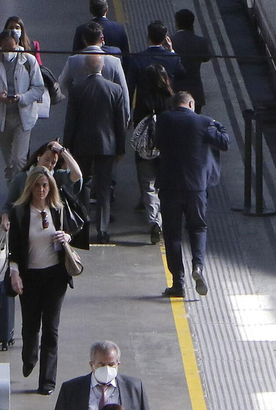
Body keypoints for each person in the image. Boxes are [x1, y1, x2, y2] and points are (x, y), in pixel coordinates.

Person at [6, 167, 81, 394]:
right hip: (30, 277)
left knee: (51, 329)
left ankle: (47, 382)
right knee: (30, 326)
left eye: (45, 186)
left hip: (55, 277)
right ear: (31, 187)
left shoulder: (57, 209)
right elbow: (15, 250)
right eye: (37, 185)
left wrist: (66, 236)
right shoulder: (20, 213)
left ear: (51, 188)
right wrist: (15, 273)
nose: (41, 190)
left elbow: (73, 229)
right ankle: (29, 357)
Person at [156, 91, 229, 297]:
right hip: (196, 187)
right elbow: (225, 143)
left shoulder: (163, 119)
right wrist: (216, 123)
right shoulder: (203, 122)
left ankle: (178, 283)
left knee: (172, 235)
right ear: (191, 103)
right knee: (197, 228)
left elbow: (157, 143)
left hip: (169, 186)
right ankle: (197, 266)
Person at [62, 53, 130, 244]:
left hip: (82, 145)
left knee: (83, 184)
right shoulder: (115, 90)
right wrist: (120, 148)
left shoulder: (77, 89)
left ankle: (83, 223)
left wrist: (66, 148)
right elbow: (119, 122)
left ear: (85, 68)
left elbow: (71, 122)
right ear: (102, 67)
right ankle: (102, 229)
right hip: (107, 146)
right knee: (104, 188)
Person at [0, 30, 48, 184]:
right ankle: (12, 187)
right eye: (5, 48)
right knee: (10, 161)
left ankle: (19, 195)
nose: (8, 52)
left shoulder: (29, 61)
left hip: (22, 118)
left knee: (19, 159)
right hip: (2, 118)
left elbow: (38, 88)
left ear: (17, 44)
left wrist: (23, 98)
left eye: (11, 48)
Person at [131, 63, 175, 245]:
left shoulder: (142, 100)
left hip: (146, 150)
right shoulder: (170, 100)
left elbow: (136, 124)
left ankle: (153, 220)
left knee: (148, 186)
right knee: (165, 187)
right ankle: (161, 220)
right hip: (167, 149)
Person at [2, 140, 84, 225]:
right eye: (46, 159)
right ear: (39, 157)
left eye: (53, 162)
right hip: (26, 225)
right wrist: (5, 218)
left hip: (51, 225)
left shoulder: (56, 177)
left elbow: (77, 175)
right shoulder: (21, 178)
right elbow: (9, 205)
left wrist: (62, 151)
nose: (49, 165)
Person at [53, 341, 150, 410]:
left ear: (118, 364)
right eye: (102, 364)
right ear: (92, 365)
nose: (107, 369)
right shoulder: (71, 390)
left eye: (111, 364)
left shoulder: (134, 388)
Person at [57, 22, 130, 100]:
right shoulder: (115, 62)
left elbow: (61, 84)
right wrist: (126, 111)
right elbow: (124, 91)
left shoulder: (72, 60)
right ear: (102, 39)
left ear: (84, 40)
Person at [169, 10, 214, 112]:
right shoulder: (201, 41)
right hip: (195, 93)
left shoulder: (170, 41)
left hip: (175, 92)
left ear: (176, 24)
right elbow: (206, 58)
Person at [130, 20, 186, 102]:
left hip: (144, 106)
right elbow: (182, 75)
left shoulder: (137, 58)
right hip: (166, 105)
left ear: (148, 37)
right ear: (165, 38)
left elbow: (130, 86)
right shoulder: (173, 58)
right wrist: (172, 51)